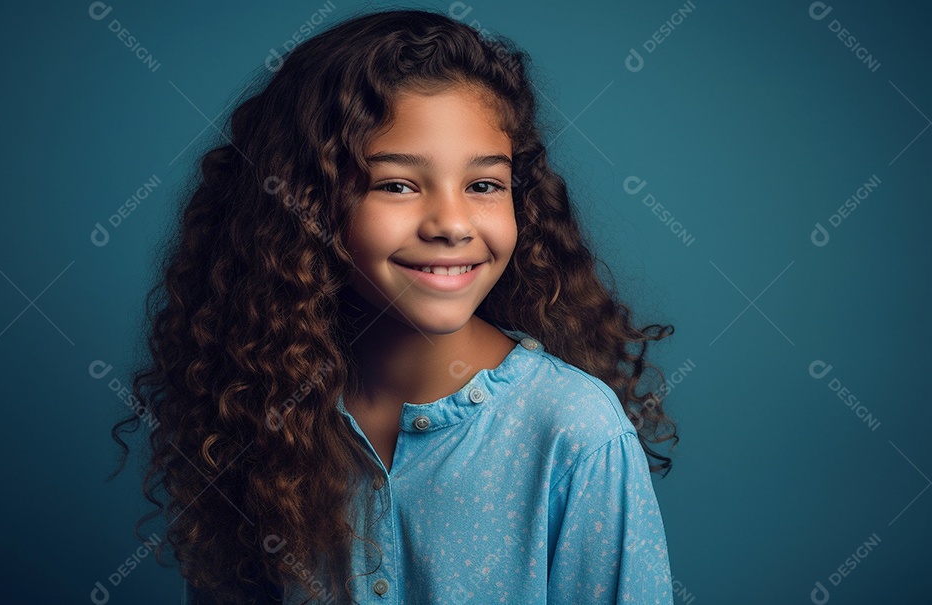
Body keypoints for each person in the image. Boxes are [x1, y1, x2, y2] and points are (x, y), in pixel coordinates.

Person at [109, 7, 679, 604]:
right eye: (397, 185)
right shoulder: (264, 409)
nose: (452, 224)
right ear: (305, 206)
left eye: (484, 184)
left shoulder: (576, 433)